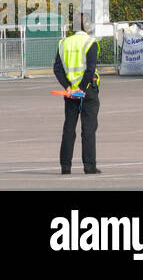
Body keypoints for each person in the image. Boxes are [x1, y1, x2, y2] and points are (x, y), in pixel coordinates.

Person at [53, 15, 101, 175]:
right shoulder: (90, 42)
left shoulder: (63, 43)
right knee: (88, 129)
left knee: (69, 128)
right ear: (87, 26)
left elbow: (57, 69)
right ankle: (89, 166)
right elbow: (90, 69)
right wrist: (82, 88)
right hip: (87, 91)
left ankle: (65, 167)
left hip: (70, 92)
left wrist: (68, 87)